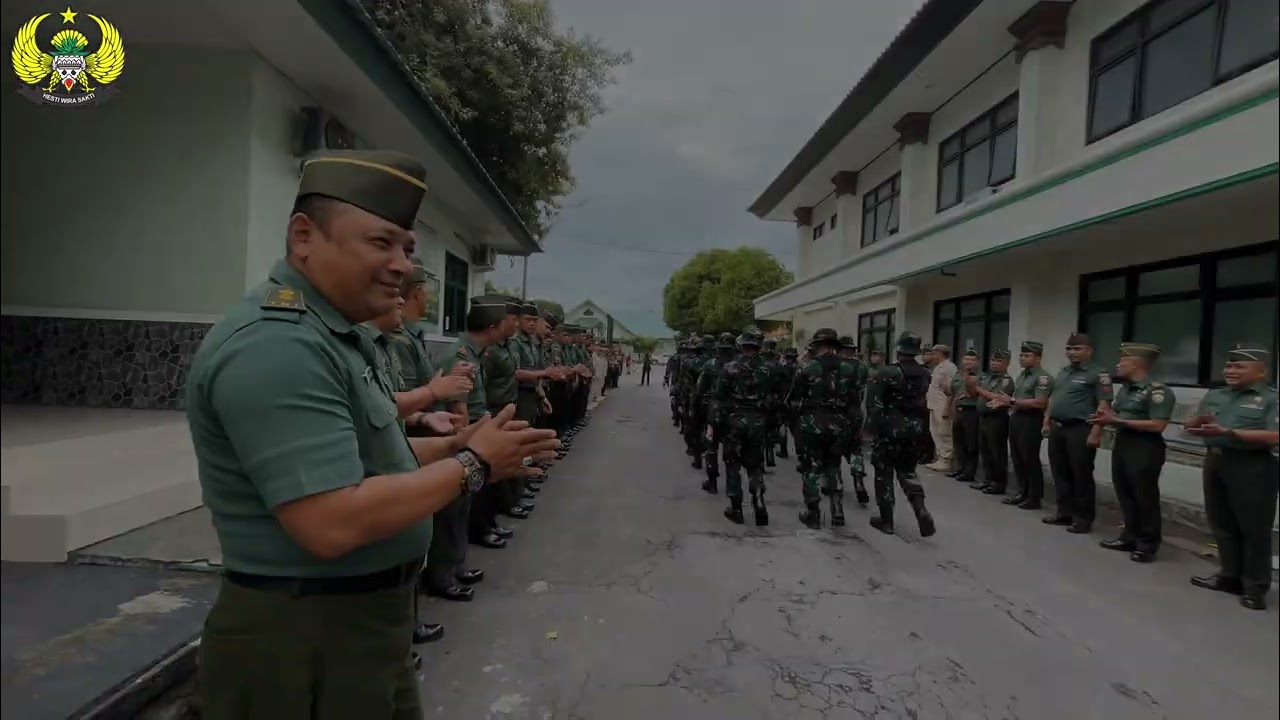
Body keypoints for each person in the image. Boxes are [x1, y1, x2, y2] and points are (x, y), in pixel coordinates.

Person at [186, 149, 558, 718]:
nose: (402, 266)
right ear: (304, 236)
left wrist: (454, 445)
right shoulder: (279, 345)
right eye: (381, 243)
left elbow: (369, 456)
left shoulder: (338, 335)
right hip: (305, 638)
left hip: (360, 628)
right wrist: (473, 466)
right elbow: (329, 521)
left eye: (407, 248)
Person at [1185, 343, 1278, 610]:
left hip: (1252, 466)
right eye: (1228, 366)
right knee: (1222, 524)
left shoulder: (1271, 399)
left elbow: (1275, 436)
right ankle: (1230, 576)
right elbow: (1194, 422)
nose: (1230, 371)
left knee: (1254, 529)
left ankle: (1255, 587)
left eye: (1239, 366)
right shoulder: (1216, 395)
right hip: (1215, 461)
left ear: (1261, 371)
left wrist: (1230, 432)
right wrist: (1195, 423)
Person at [1087, 343, 1175, 564]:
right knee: (1125, 493)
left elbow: (1158, 424)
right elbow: (1117, 415)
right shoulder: (1126, 389)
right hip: (1123, 443)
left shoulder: (1157, 391)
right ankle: (1129, 536)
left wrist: (1116, 420)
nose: (1118, 364)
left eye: (1122, 361)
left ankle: (1147, 544)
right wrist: (1104, 418)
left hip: (1145, 447)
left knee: (1144, 496)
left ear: (1136, 363)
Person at [865, 332, 937, 537]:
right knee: (908, 471)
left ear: (898, 349)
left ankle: (886, 520)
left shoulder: (886, 372)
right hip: (915, 430)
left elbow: (874, 406)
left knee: (884, 473)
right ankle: (920, 508)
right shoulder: (925, 374)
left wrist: (869, 431)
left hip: (890, 429)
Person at [788, 328, 860, 528]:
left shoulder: (806, 368)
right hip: (839, 423)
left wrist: (795, 424)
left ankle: (813, 513)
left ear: (817, 346)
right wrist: (854, 427)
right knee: (834, 465)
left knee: (812, 467)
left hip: (813, 422)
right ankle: (837, 509)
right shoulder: (849, 369)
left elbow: (793, 399)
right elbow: (855, 402)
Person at [1043, 333, 1113, 534]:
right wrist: (1046, 421)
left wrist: (1096, 431)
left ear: (1089, 351)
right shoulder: (1064, 372)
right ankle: (1064, 513)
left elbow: (1104, 404)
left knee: (1081, 474)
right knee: (1060, 472)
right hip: (1058, 427)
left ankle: (1082, 518)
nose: (1071, 352)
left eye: (1077, 348)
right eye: (1069, 349)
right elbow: (1054, 398)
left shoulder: (1098, 374)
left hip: (1080, 428)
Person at [715, 329, 772, 524]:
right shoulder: (767, 369)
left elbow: (720, 395)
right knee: (755, 466)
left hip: (735, 420)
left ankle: (736, 508)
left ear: (740, 347)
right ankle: (759, 503)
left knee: (733, 464)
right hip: (758, 420)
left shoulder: (730, 368)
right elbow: (775, 395)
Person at [1001, 341, 1052, 509]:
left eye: (1027, 355)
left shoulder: (1042, 378)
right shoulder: (1022, 375)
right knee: (1017, 457)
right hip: (1017, 417)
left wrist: (1013, 401)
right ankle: (1022, 492)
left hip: (1031, 419)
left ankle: (1034, 497)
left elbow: (1040, 402)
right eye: (1021, 355)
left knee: (1029, 458)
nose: (1022, 358)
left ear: (1038, 358)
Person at [969, 349, 1015, 496]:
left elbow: (998, 397)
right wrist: (971, 385)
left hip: (997, 418)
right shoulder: (987, 378)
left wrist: (978, 389)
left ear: (1007, 363)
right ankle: (987, 479)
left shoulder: (1006, 380)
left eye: (999, 361)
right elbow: (975, 393)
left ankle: (999, 483)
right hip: (983, 416)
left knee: (997, 452)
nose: (994, 363)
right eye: (992, 360)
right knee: (985, 450)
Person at [700, 332, 738, 494]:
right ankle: (732, 487)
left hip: (714, 412)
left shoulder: (709, 365)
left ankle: (712, 482)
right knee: (731, 452)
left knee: (711, 447)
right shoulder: (740, 367)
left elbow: (700, 388)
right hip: (735, 414)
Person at [837, 336, 871, 506]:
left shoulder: (836, 366)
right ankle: (858, 481)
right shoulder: (862, 367)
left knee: (834, 448)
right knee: (855, 448)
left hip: (837, 411)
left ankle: (835, 483)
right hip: (855, 410)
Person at [947, 350, 982, 484]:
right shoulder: (957, 375)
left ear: (977, 362)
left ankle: (969, 472)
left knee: (971, 443)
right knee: (958, 441)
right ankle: (960, 468)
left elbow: (981, 393)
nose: (968, 362)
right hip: (959, 410)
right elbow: (951, 391)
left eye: (972, 360)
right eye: (966, 359)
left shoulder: (981, 377)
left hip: (972, 410)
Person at [925, 344, 956, 472]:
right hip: (934, 403)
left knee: (944, 432)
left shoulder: (949, 367)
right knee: (935, 431)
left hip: (943, 404)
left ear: (940, 353)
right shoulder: (938, 367)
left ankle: (946, 459)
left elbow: (951, 389)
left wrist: (947, 407)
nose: (932, 356)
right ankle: (940, 457)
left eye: (934, 353)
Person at [776, 346, 799, 460]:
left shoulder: (781, 368)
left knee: (782, 426)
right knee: (796, 428)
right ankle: (801, 453)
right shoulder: (801, 368)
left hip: (783, 400)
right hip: (796, 401)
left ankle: (783, 451)